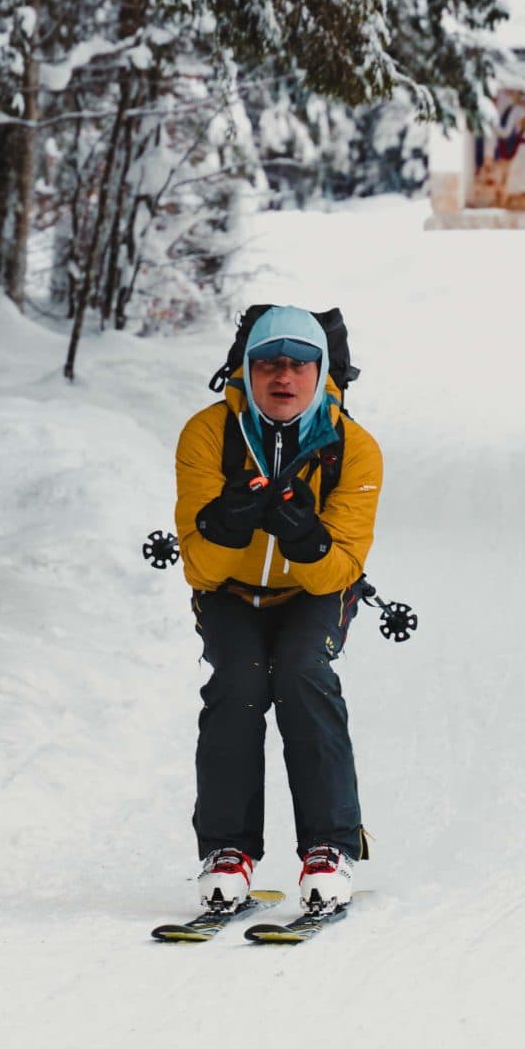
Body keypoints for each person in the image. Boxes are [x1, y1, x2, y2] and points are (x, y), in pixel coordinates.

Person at [174, 304, 383, 916]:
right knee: (237, 686)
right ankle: (227, 852)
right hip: (231, 592)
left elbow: (340, 568)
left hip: (314, 594)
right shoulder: (208, 435)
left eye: (298, 364)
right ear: (247, 368)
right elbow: (199, 567)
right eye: (268, 363)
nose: (283, 377)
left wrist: (304, 537)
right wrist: (226, 525)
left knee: (301, 676)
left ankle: (330, 848)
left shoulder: (355, 449)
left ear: (321, 373)